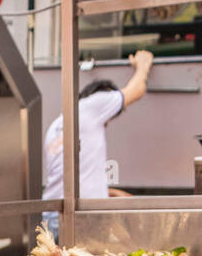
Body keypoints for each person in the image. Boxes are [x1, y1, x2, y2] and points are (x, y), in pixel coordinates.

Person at [41, 49, 154, 237]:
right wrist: (143, 65)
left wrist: (109, 193)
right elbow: (136, 90)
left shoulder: (57, 125)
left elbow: (73, 178)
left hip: (52, 215)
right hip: (79, 216)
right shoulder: (94, 104)